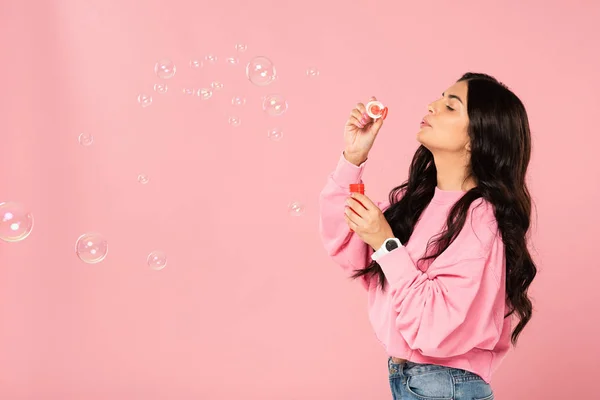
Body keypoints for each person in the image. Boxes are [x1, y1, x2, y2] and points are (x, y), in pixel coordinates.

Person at [318, 72, 537, 400]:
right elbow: (343, 241)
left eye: (451, 106)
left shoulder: (481, 218)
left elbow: (436, 326)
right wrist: (353, 157)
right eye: (440, 99)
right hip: (414, 380)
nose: (432, 106)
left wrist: (386, 243)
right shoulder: (415, 203)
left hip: (443, 385)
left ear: (476, 137)